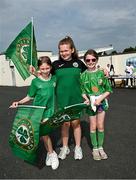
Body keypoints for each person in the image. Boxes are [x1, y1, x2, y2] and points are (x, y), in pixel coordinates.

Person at [10, 56, 59, 170]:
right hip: (37, 112)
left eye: (47, 68)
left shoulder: (54, 79)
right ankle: (50, 153)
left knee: (45, 133)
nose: (45, 71)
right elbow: (29, 96)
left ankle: (51, 154)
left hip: (49, 111)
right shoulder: (35, 82)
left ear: (50, 67)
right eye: (42, 69)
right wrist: (19, 102)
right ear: (39, 69)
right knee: (42, 134)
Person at [52, 36, 87, 160]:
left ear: (72, 50)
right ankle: (65, 147)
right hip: (62, 100)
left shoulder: (79, 63)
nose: (63, 53)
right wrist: (34, 72)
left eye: (66, 50)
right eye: (61, 51)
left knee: (76, 123)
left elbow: (89, 75)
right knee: (65, 124)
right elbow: (45, 75)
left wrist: (103, 71)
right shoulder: (55, 65)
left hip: (76, 99)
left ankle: (77, 147)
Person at [80, 49, 112, 161]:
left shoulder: (101, 73)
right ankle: (95, 149)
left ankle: (101, 147)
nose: (90, 61)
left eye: (93, 59)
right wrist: (86, 99)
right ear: (85, 61)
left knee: (100, 126)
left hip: (101, 103)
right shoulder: (82, 76)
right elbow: (83, 91)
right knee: (93, 126)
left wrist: (100, 99)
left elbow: (108, 90)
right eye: (88, 60)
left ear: (97, 60)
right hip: (91, 105)